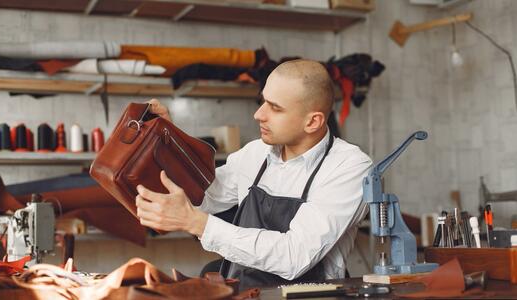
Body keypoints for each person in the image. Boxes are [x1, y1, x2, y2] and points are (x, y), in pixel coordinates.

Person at [136, 59, 372, 288]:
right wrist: (169, 141)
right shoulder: (256, 152)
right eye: (263, 101)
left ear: (312, 122)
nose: (259, 114)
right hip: (246, 290)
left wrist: (198, 224)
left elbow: (294, 256)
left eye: (275, 108)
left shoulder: (349, 167)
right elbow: (203, 197)